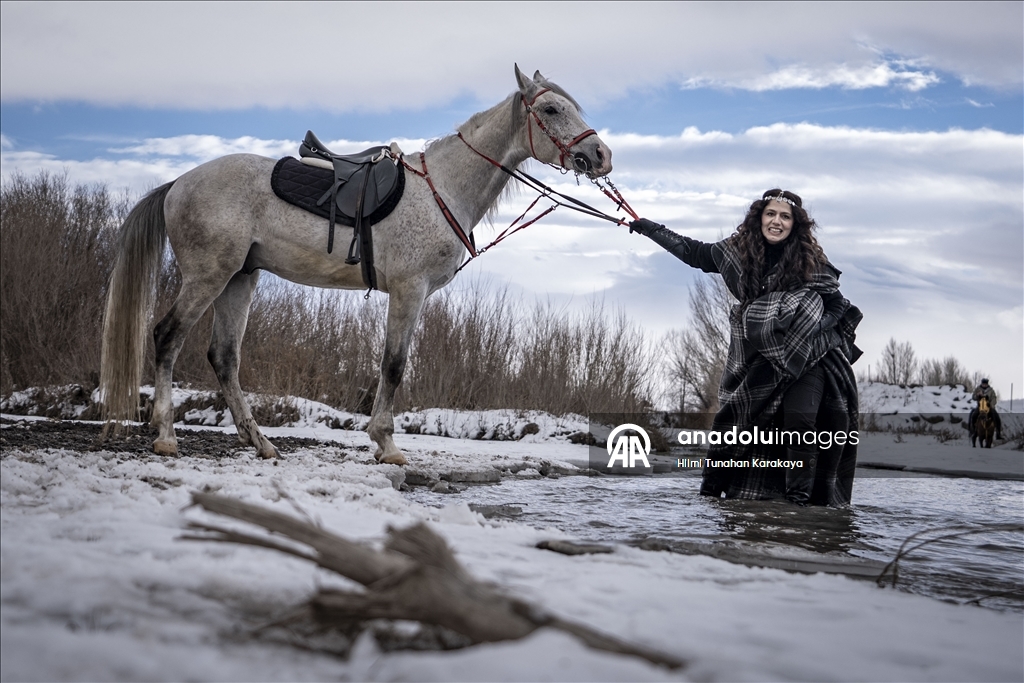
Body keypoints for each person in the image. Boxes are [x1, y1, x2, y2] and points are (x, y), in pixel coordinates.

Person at [630, 190, 862, 506]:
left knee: (801, 424)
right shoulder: (737, 254)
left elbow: (836, 304)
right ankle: (710, 495)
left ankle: (799, 504)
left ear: (795, 224)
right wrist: (649, 229)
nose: (776, 221)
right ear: (759, 217)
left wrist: (814, 327)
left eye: (785, 216)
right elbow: (694, 253)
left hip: (809, 355)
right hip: (759, 354)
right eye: (771, 214)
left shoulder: (811, 261)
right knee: (734, 425)